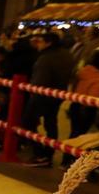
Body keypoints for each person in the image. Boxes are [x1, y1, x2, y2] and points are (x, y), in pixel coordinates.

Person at [23, 32, 75, 166]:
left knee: (28, 123)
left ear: (48, 42)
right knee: (51, 123)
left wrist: (33, 92)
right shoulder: (66, 55)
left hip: (42, 95)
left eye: (40, 41)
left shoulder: (46, 58)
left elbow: (40, 80)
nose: (37, 44)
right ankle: (48, 153)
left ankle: (40, 154)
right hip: (57, 94)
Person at [69, 48, 99, 137]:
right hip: (86, 111)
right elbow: (93, 100)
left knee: (74, 133)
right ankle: (69, 150)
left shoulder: (83, 72)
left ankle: (67, 149)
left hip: (75, 105)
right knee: (79, 135)